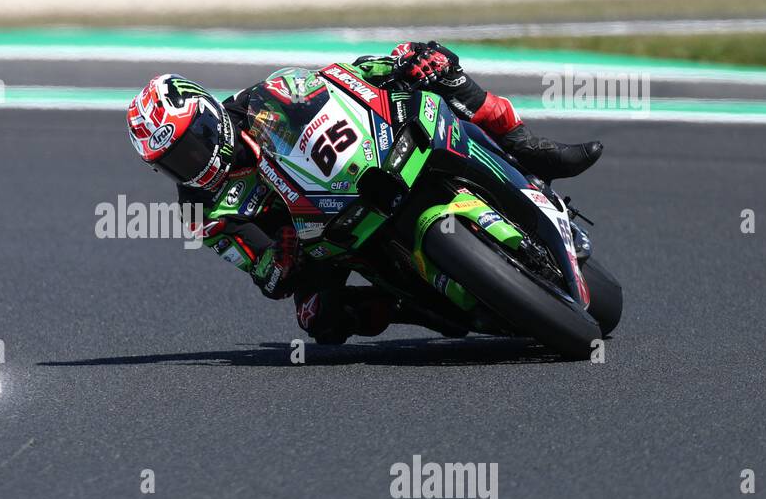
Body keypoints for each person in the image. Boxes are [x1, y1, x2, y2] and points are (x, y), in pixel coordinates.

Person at [125, 41, 603, 344]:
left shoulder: (265, 96)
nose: (187, 165)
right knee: (320, 321)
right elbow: (264, 273)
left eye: (190, 145)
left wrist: (395, 64)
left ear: (208, 115)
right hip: (325, 239)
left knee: (434, 66)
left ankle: (528, 148)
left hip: (370, 165)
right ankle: (417, 307)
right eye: (170, 163)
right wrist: (283, 257)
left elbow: (342, 81)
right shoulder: (203, 211)